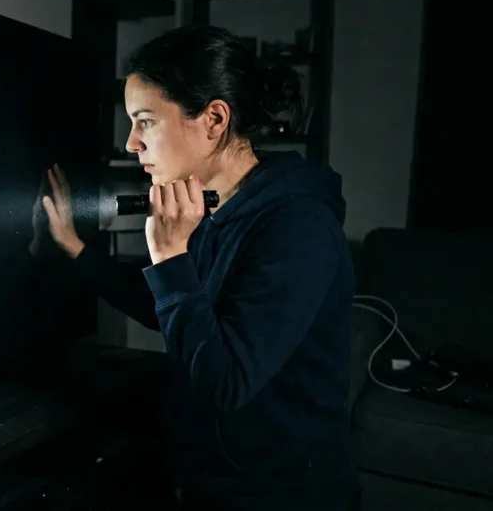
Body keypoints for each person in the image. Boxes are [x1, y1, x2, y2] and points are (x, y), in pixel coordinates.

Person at [32, 25, 357, 509]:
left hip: (278, 493)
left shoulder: (298, 228)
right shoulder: (211, 203)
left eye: (145, 121)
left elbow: (227, 381)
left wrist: (169, 254)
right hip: (210, 477)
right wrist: (78, 250)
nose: (130, 143)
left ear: (214, 119)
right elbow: (170, 307)